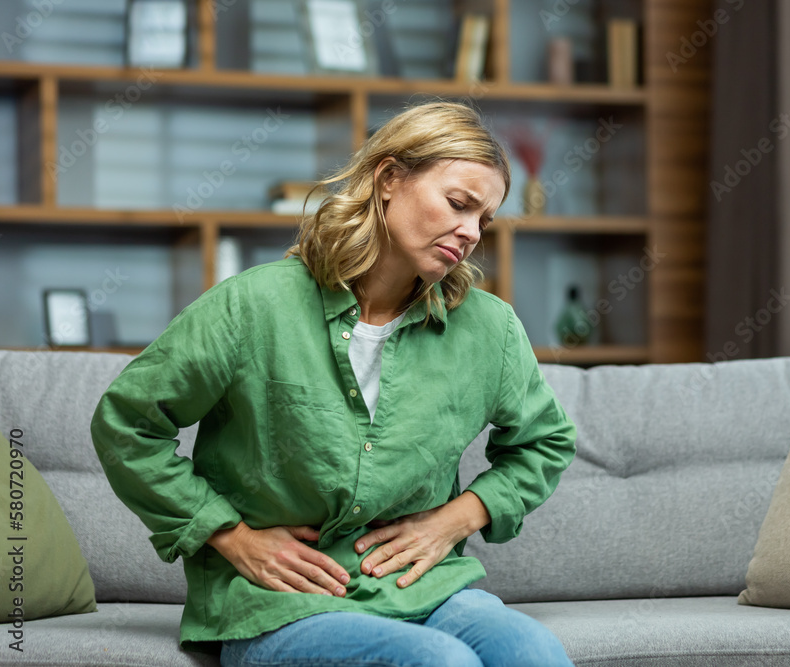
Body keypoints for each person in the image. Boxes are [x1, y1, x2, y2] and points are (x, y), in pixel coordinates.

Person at [90, 101, 577, 667]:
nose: (470, 232)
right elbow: (128, 423)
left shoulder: (489, 328)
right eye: (458, 204)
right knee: (438, 663)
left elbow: (545, 442)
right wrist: (229, 535)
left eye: (484, 220)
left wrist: (457, 518)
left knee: (532, 650)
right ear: (390, 179)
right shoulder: (253, 305)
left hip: (425, 589)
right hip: (282, 602)